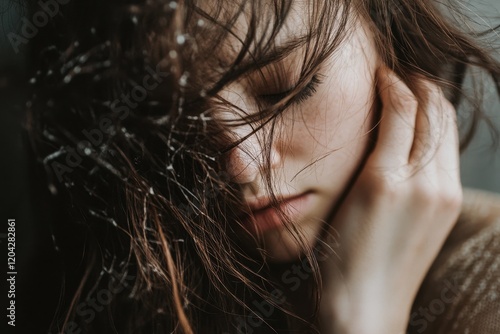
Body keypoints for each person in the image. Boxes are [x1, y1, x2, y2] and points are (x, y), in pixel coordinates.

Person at [23, 0, 500, 333]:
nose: (242, 167)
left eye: (285, 90)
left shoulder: (488, 291)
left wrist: (360, 318)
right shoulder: (59, 291)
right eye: (171, 121)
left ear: (387, 35)